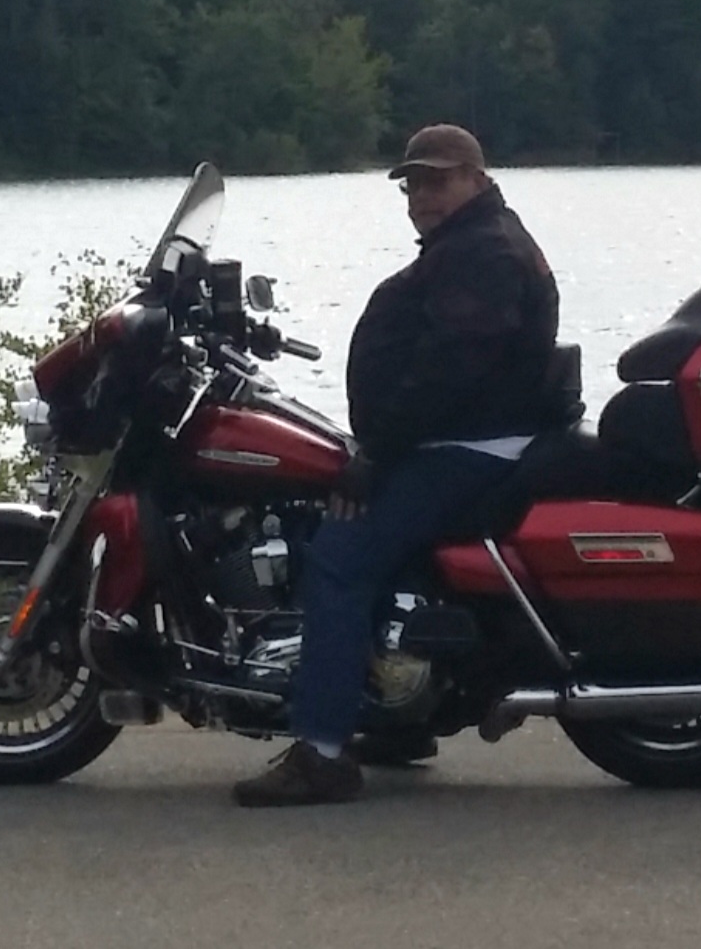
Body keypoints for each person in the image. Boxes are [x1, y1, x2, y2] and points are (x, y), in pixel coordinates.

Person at [234, 124, 561, 807]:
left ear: (476, 176)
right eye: (413, 184)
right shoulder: (477, 240)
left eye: (438, 181)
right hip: (462, 437)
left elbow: (451, 373)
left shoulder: (484, 252)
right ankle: (392, 718)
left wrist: (376, 455)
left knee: (340, 558)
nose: (422, 197)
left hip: (469, 447)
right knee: (369, 549)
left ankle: (322, 750)